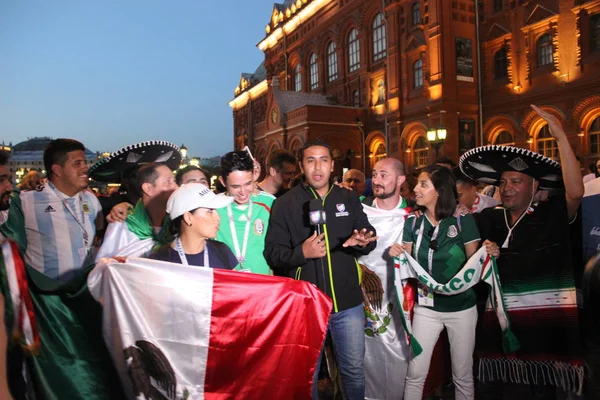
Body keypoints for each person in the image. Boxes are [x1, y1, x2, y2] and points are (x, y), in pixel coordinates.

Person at [460, 105, 585, 398]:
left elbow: (576, 192)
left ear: (535, 186)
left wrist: (559, 135)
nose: (507, 188)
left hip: (545, 330)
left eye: (516, 182)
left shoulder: (551, 215)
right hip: (501, 332)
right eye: (502, 183)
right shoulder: (489, 219)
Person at [264, 141, 377, 400]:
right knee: (307, 375)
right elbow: (273, 253)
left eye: (324, 160)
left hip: (347, 304)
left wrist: (364, 240)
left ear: (332, 165)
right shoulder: (284, 204)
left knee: (354, 372)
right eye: (311, 160)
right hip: (306, 308)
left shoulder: (348, 198)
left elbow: (369, 234)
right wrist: (301, 253)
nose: (318, 167)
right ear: (302, 166)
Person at [390, 165, 486, 400]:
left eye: (423, 184)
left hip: (462, 308)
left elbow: (475, 265)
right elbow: (409, 263)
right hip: (427, 309)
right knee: (415, 372)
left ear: (440, 191)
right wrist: (397, 253)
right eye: (417, 184)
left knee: (462, 375)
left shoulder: (464, 221)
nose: (416, 189)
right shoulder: (412, 223)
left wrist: (489, 252)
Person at [1, 139, 103, 281]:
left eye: (85, 162)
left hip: (85, 291)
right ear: (57, 170)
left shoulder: (92, 200)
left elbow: (100, 230)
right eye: (77, 163)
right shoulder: (27, 200)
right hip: (48, 298)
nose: (85, 168)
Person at [358, 157, 412, 399]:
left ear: (400, 179)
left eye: (384, 175)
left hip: (401, 300)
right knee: (364, 354)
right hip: (363, 297)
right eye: (375, 174)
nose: (376, 180)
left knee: (402, 353)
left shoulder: (413, 214)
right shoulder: (358, 209)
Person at [96, 162, 177, 259]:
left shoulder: (178, 223)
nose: (175, 186)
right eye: (168, 181)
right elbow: (107, 267)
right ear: (148, 188)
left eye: (174, 181)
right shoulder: (122, 224)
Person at [150, 183, 238, 269]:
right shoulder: (159, 261)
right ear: (188, 217)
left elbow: (234, 282)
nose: (218, 217)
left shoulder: (222, 251)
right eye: (210, 211)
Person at [216, 150, 275, 274]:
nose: (243, 192)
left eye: (248, 184)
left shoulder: (270, 203)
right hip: (228, 286)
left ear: (254, 175)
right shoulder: (213, 207)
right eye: (235, 186)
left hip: (264, 286)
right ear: (222, 182)